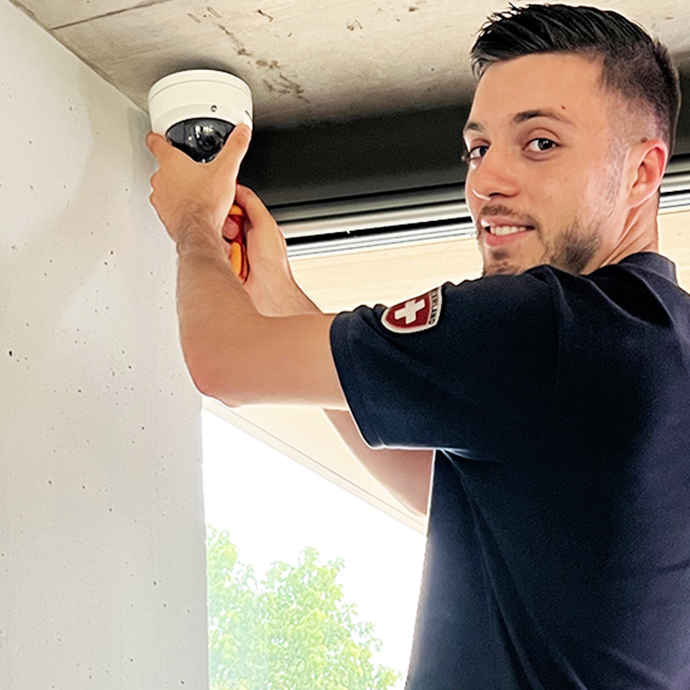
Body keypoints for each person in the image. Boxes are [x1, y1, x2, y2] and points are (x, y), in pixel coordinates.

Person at [147, 4, 689, 688]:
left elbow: (225, 361)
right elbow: (442, 486)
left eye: (540, 143)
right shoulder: (661, 346)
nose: (486, 181)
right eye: (479, 149)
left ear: (642, 172)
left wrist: (193, 220)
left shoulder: (546, 323)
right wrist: (281, 298)